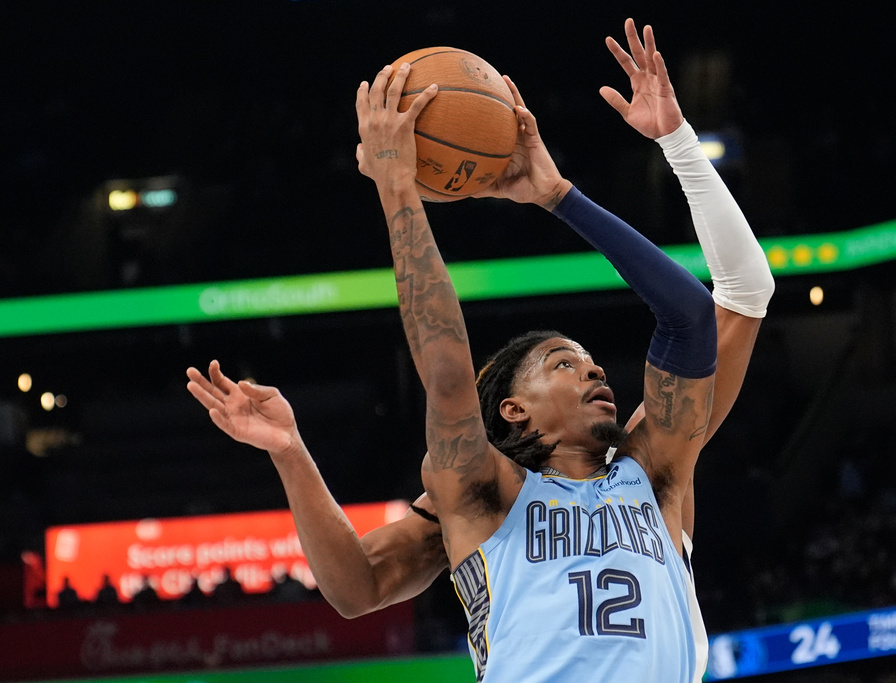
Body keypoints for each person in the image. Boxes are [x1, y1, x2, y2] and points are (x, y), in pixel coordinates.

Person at [187, 18, 773, 682]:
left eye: (588, 361)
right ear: (514, 410)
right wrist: (397, 189)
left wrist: (562, 194)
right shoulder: (482, 493)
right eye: (563, 363)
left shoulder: (655, 473)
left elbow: (699, 312)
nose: (593, 370)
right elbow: (443, 385)